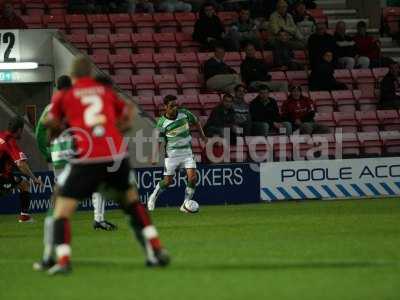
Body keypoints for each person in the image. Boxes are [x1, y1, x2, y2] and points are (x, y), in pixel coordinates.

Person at [36, 56, 170, 275]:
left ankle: (63, 260)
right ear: (89, 73)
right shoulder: (105, 92)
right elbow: (129, 114)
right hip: (115, 157)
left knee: (61, 210)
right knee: (133, 205)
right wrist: (116, 129)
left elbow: (50, 123)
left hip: (86, 159)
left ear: (73, 76)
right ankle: (155, 249)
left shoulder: (66, 95)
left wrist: (56, 130)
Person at [35, 75, 118, 231]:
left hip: (57, 153)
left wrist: (45, 152)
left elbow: (39, 132)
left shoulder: (49, 108)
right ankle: (99, 220)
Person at [147, 95, 207, 211]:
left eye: (176, 105)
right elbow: (158, 140)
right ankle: (152, 197)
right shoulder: (161, 123)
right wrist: (154, 155)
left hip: (187, 153)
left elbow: (196, 121)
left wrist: (202, 135)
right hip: (172, 155)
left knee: (193, 178)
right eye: (171, 106)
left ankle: (185, 204)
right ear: (165, 107)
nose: (175, 108)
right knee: (167, 181)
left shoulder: (184, 113)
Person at [0, 117, 42, 222]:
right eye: (22, 130)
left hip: (4, 174)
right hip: (1, 176)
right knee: (24, 183)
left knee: (23, 184)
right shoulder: (10, 141)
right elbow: (21, 164)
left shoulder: (1, 135)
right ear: (19, 130)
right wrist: (34, 179)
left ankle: (24, 217)